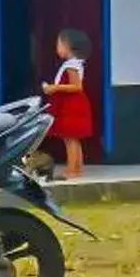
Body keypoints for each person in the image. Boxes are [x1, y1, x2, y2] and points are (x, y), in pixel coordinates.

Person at [43, 28, 93, 177]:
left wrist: (54, 87)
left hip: (71, 105)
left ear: (67, 46)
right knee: (73, 138)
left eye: (58, 44)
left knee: (71, 138)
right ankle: (77, 168)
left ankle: (72, 169)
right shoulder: (74, 63)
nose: (56, 48)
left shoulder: (72, 66)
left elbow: (77, 86)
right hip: (70, 104)